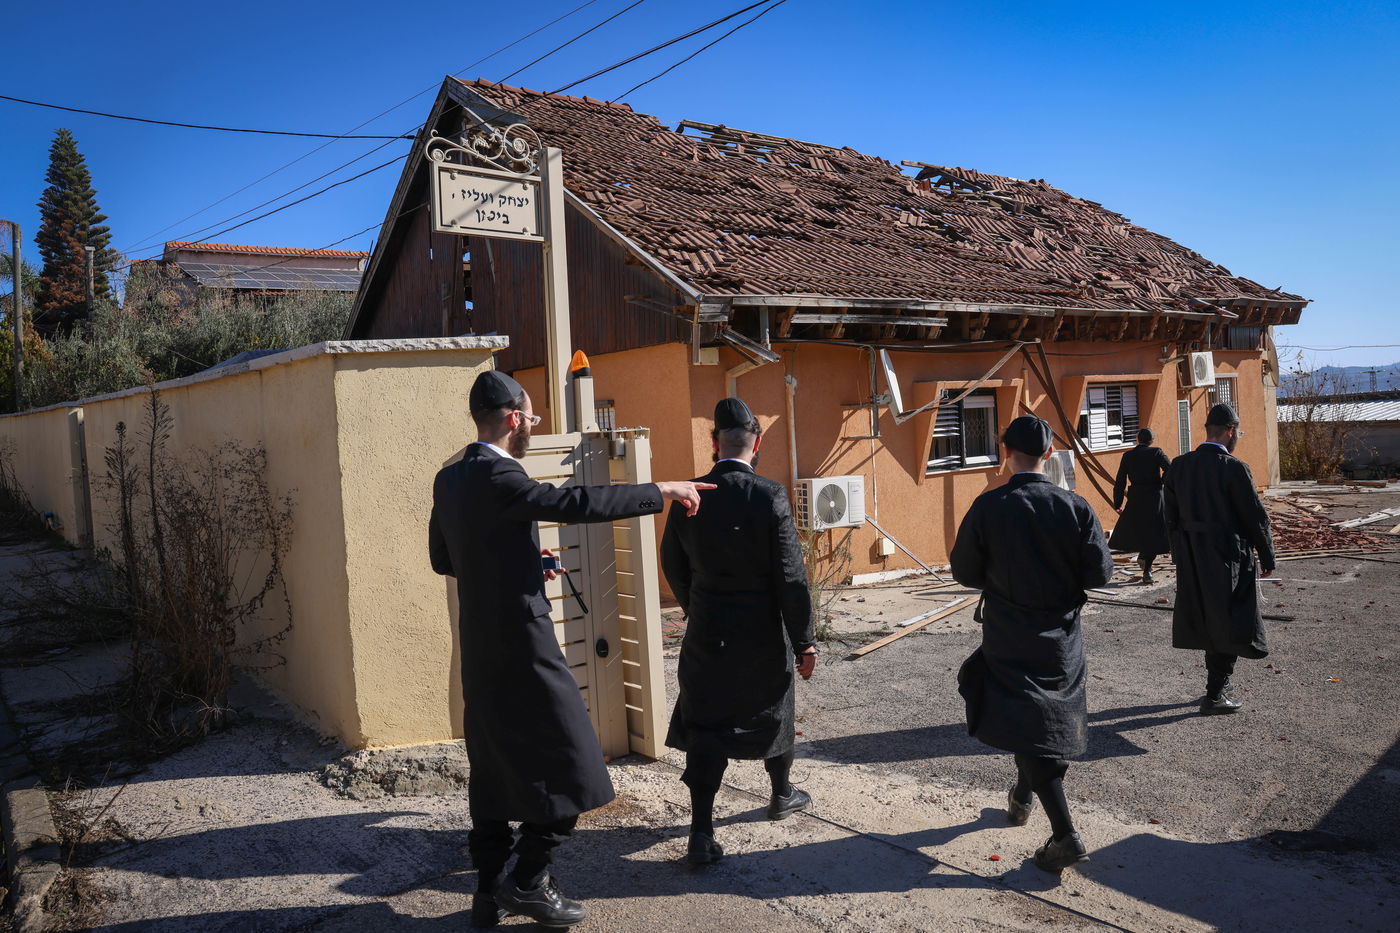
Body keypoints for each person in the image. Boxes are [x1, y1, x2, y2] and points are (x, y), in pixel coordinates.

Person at [429, 370, 716, 928]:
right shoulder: (501, 474)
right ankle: (528, 880)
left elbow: (447, 558)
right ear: (514, 418)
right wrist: (661, 490)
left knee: (492, 768)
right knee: (577, 761)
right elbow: (573, 502)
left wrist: (523, 562)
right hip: (525, 644)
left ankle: (487, 895)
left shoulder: (450, 478)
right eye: (532, 419)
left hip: (480, 648)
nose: (533, 428)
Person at [950, 415, 1114, 873]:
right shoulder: (1076, 506)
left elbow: (964, 571)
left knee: (1028, 722)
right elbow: (1100, 574)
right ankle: (1021, 797)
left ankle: (1065, 835)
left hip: (1008, 631)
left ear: (1005, 451)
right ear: (1049, 453)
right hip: (1062, 636)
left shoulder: (989, 506)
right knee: (1045, 721)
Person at [661, 398, 817, 866]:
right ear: (758, 443)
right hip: (761, 633)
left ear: (715, 443)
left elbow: (673, 564)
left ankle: (701, 831)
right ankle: (781, 793)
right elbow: (791, 576)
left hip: (708, 631)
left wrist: (696, 606)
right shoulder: (769, 495)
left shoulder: (690, 494)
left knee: (706, 722)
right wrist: (804, 640)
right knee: (775, 709)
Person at [1163, 403, 1276, 715]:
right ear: (1230, 431)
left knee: (1206, 617)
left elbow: (1169, 516)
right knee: (1230, 620)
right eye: (1237, 433)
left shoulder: (1179, 465)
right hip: (1228, 556)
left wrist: (1179, 554)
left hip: (1192, 557)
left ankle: (1217, 686)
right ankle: (1215, 693)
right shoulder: (1234, 468)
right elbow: (1255, 518)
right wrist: (1267, 555)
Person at [1109, 428, 1173, 583]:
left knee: (1139, 530)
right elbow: (1170, 469)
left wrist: (1117, 502)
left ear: (1137, 439)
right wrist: (1161, 482)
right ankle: (1147, 568)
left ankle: (1145, 563)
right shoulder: (1156, 452)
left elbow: (1120, 481)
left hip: (1136, 497)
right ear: (1151, 441)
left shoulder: (1128, 455)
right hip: (1155, 496)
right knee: (1154, 532)